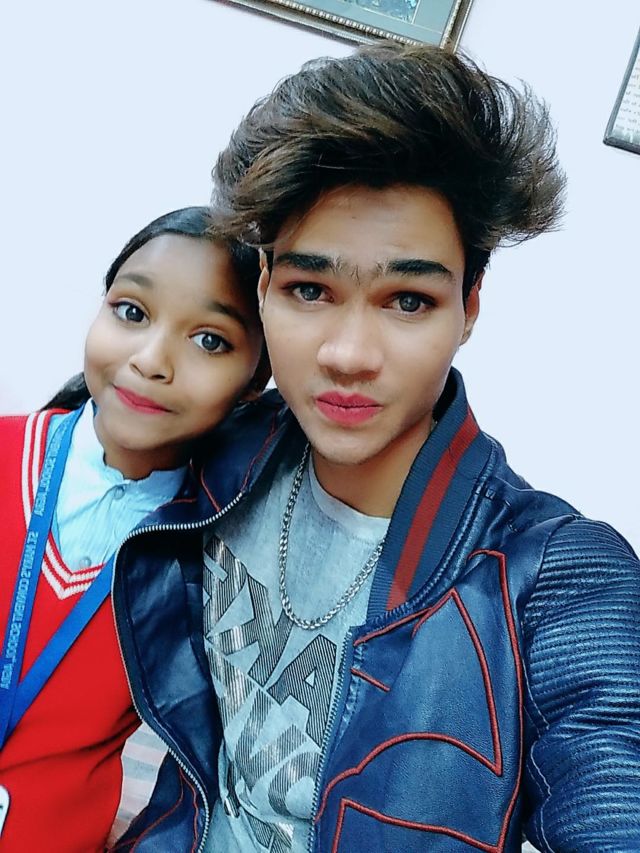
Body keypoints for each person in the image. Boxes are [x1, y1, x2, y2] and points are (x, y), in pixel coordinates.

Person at [112, 44, 640, 853]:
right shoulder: (230, 448)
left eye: (408, 300)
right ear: (263, 286)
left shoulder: (551, 575)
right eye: (310, 290)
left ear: (469, 306)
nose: (349, 354)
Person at [0, 206, 268, 851]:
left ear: (255, 383)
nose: (151, 360)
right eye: (131, 312)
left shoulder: (214, 555)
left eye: (210, 341)